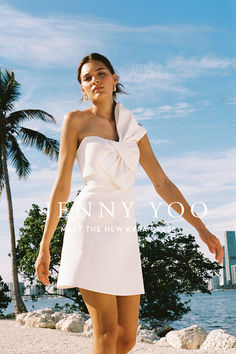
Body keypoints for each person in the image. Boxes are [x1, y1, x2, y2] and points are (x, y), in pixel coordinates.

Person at [35, 52, 224, 354]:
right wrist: (45, 245)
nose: (95, 80)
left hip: (122, 233)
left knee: (126, 338)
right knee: (106, 333)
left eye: (101, 73)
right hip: (90, 226)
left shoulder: (133, 128)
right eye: (87, 77)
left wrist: (200, 228)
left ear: (114, 79)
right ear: (82, 89)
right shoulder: (76, 122)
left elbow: (162, 182)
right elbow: (62, 186)